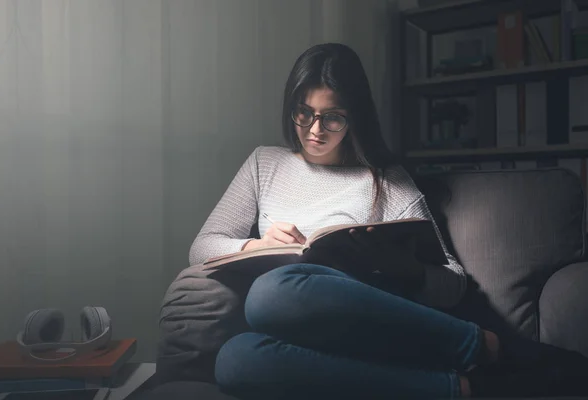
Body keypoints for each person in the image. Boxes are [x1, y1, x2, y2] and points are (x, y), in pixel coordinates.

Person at [188, 43, 588, 399]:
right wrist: (255, 246)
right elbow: (203, 246)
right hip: (297, 332)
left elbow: (453, 281)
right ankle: (464, 388)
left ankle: (483, 346)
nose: (314, 130)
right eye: (304, 112)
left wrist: (407, 269)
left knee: (271, 292)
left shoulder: (384, 179)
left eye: (332, 118)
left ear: (355, 118)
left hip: (365, 322)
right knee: (235, 361)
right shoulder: (264, 163)